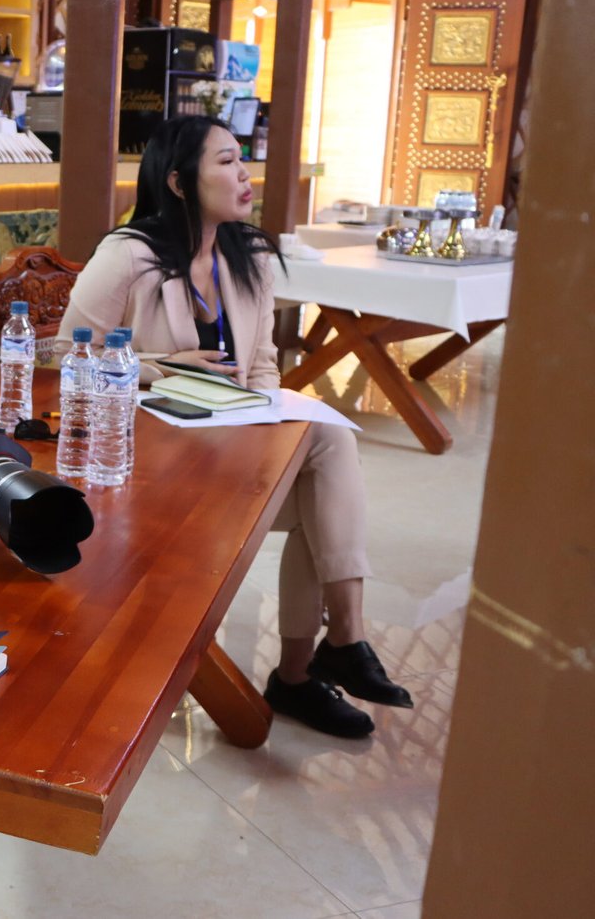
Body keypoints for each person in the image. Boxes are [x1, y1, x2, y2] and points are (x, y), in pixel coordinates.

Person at [59, 115, 413, 739]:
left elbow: (263, 366)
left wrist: (266, 426)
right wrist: (159, 366)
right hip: (148, 456)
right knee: (324, 481)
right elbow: (65, 357)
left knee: (324, 460)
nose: (245, 174)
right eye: (225, 161)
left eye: (242, 158)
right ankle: (325, 657)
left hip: (231, 448)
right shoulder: (127, 255)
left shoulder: (249, 255)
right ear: (178, 182)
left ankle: (325, 655)